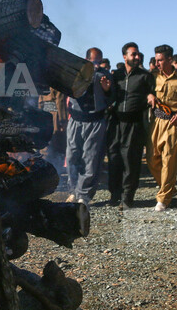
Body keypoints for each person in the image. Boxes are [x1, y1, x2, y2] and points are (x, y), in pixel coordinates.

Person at [107, 42, 155, 209]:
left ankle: (127, 197)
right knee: (114, 158)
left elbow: (153, 92)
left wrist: (150, 95)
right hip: (116, 123)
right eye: (133, 54)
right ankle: (114, 194)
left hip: (134, 124)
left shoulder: (145, 76)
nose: (136, 57)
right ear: (124, 56)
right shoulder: (116, 75)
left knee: (130, 160)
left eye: (137, 54)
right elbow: (109, 94)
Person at [147, 45, 177, 211]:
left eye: (160, 60)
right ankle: (170, 188)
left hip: (174, 121)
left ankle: (164, 198)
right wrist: (150, 95)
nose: (157, 63)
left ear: (169, 60)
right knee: (153, 158)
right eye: (156, 60)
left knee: (169, 161)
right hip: (157, 121)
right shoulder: (153, 76)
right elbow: (146, 90)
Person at [65, 48, 112, 206]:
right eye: (93, 61)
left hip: (95, 122)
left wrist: (107, 90)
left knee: (90, 160)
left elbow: (113, 97)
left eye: (99, 61)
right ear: (86, 60)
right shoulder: (75, 73)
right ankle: (73, 191)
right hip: (76, 120)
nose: (96, 65)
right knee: (72, 156)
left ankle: (83, 195)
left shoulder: (105, 76)